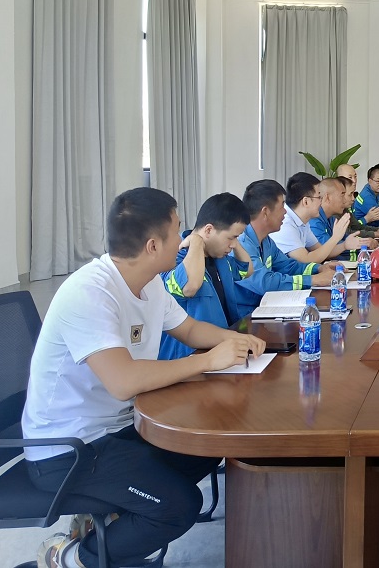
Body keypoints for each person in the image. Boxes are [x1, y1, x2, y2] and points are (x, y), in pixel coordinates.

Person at [23, 188, 265, 568]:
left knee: (203, 448)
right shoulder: (89, 292)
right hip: (68, 448)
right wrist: (207, 361)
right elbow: (123, 382)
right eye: (178, 230)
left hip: (117, 429)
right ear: (153, 246)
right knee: (178, 506)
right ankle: (70, 558)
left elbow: (189, 329)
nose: (184, 237)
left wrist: (234, 340)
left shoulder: (149, 282)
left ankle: (108, 520)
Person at [159, 192, 255, 360]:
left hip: (223, 347)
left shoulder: (219, 258)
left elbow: (247, 271)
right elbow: (190, 286)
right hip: (190, 356)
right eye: (231, 238)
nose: (233, 244)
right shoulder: (176, 258)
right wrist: (196, 240)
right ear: (209, 230)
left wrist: (234, 240)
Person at [233, 179, 336, 317]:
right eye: (282, 206)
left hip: (266, 308)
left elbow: (288, 266)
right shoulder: (241, 242)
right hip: (244, 318)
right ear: (265, 212)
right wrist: (313, 280)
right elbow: (265, 282)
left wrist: (319, 268)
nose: (285, 212)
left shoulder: (266, 241)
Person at [270, 172, 363, 263]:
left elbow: (321, 251)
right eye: (319, 197)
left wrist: (344, 245)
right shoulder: (285, 224)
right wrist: (335, 238)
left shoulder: (302, 221)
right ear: (306, 201)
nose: (321, 202)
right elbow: (305, 260)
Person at [309, 176, 379, 258]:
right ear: (328, 198)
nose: (345, 200)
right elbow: (328, 250)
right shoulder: (314, 222)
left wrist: (364, 242)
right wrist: (362, 244)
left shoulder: (331, 218)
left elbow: (346, 238)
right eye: (342, 195)